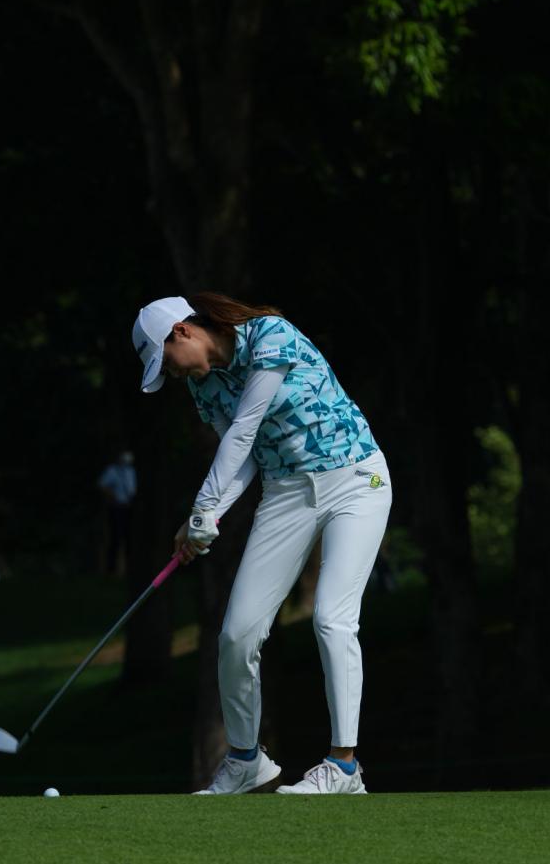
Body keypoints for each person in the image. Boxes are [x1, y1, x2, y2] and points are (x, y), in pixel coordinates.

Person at [132, 292, 392, 794]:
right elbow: (245, 459)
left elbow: (246, 427)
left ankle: (343, 766)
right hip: (285, 494)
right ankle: (246, 760)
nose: (173, 374)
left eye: (166, 362)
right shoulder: (204, 387)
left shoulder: (271, 335)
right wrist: (207, 518)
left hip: (356, 479)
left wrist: (202, 507)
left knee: (332, 618)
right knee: (237, 635)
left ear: (181, 331)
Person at [97, 450, 137, 576]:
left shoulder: (131, 471)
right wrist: (112, 496)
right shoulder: (112, 470)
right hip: (117, 507)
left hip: (129, 507)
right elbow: (102, 485)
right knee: (115, 538)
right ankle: (111, 569)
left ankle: (128, 568)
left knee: (129, 538)